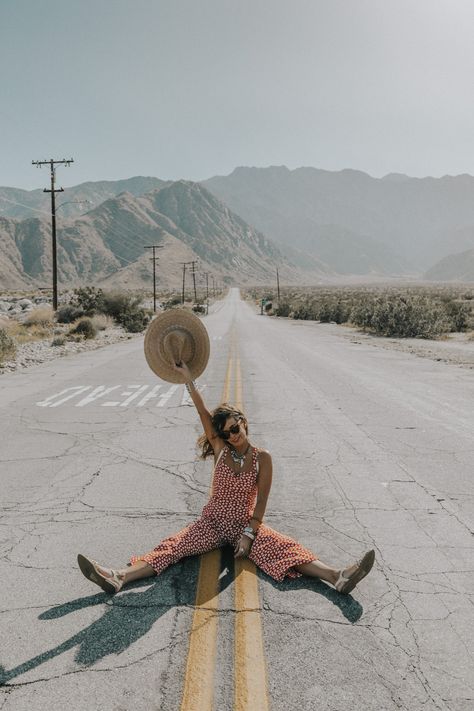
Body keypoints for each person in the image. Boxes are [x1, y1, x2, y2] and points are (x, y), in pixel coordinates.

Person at [78, 362, 375, 596]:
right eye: (227, 433)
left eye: (235, 427)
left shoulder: (263, 458)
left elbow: (260, 507)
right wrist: (188, 378)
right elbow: (202, 412)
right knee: (173, 546)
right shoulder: (221, 450)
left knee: (285, 547)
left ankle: (338, 576)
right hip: (211, 523)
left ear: (243, 422)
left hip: (243, 526)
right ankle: (118, 577)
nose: (233, 435)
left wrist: (247, 536)